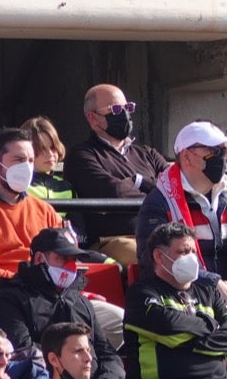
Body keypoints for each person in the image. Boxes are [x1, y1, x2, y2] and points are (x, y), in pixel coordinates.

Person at [0, 227, 164, 379]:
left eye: (73, 259)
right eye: (61, 258)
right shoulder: (9, 299)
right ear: (38, 258)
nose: (69, 266)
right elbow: (25, 353)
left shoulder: (79, 301)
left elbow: (107, 352)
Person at [122, 221, 227, 379]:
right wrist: (211, 324)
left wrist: (188, 342)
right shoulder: (141, 293)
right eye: (183, 252)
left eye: (192, 251)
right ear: (159, 256)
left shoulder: (209, 292)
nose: (191, 258)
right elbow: (169, 329)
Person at [135, 120, 227, 317]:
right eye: (214, 151)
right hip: (185, 300)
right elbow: (157, 261)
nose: (221, 158)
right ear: (187, 157)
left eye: (224, 152)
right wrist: (214, 283)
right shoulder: (159, 202)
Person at [65, 84, 171, 265]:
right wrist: (146, 184)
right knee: (153, 258)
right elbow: (112, 192)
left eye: (128, 108)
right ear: (92, 118)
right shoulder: (81, 155)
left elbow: (173, 185)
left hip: (161, 234)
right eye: (115, 109)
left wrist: (136, 183)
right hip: (113, 239)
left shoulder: (148, 154)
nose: (124, 114)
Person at [0, 128, 65, 293]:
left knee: (113, 315)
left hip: (50, 294)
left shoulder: (45, 210)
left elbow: (64, 259)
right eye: (19, 160)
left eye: (30, 160)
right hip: (4, 296)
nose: (27, 167)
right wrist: (27, 285)